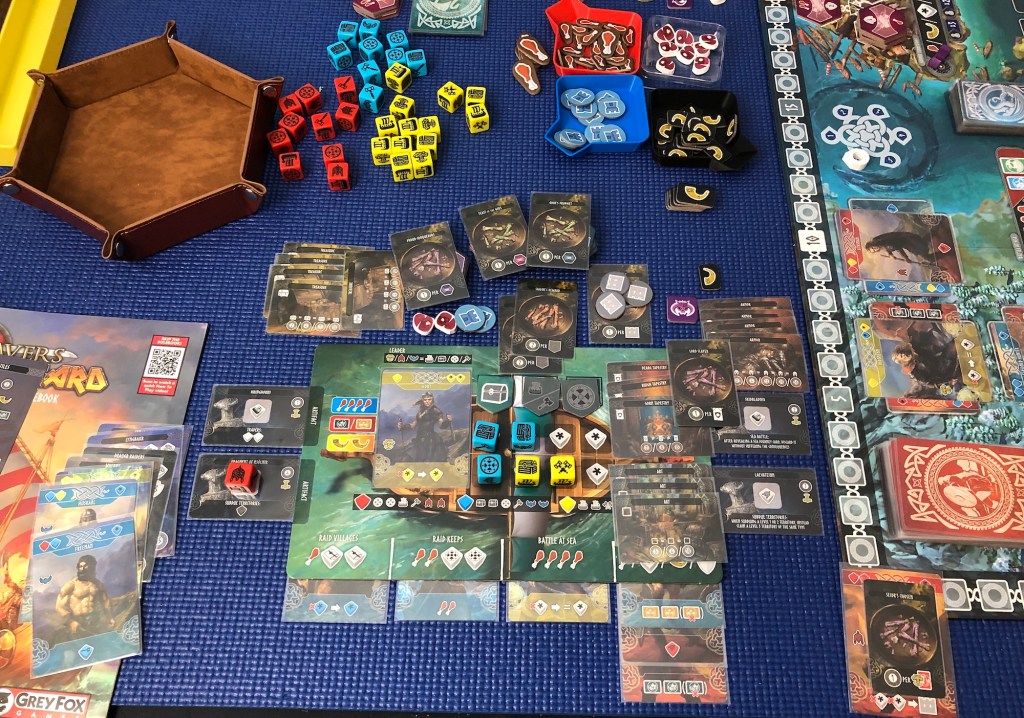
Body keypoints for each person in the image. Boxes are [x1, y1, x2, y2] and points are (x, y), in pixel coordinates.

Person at [55, 555, 114, 639]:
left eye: (85, 566)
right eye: (80, 566)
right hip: (77, 624)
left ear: (92, 568)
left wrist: (110, 618)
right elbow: (59, 606)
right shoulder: (71, 585)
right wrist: (71, 622)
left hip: (95, 624)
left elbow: (106, 602)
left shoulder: (98, 585)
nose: (82, 569)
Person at [396, 393, 451, 463]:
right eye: (425, 400)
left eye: (429, 399)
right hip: (419, 438)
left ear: (432, 400)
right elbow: (413, 425)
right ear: (422, 400)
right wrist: (403, 426)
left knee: (429, 460)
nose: (427, 401)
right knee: (416, 460)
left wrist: (448, 421)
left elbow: (441, 425)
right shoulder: (420, 411)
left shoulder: (436, 411)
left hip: (431, 440)